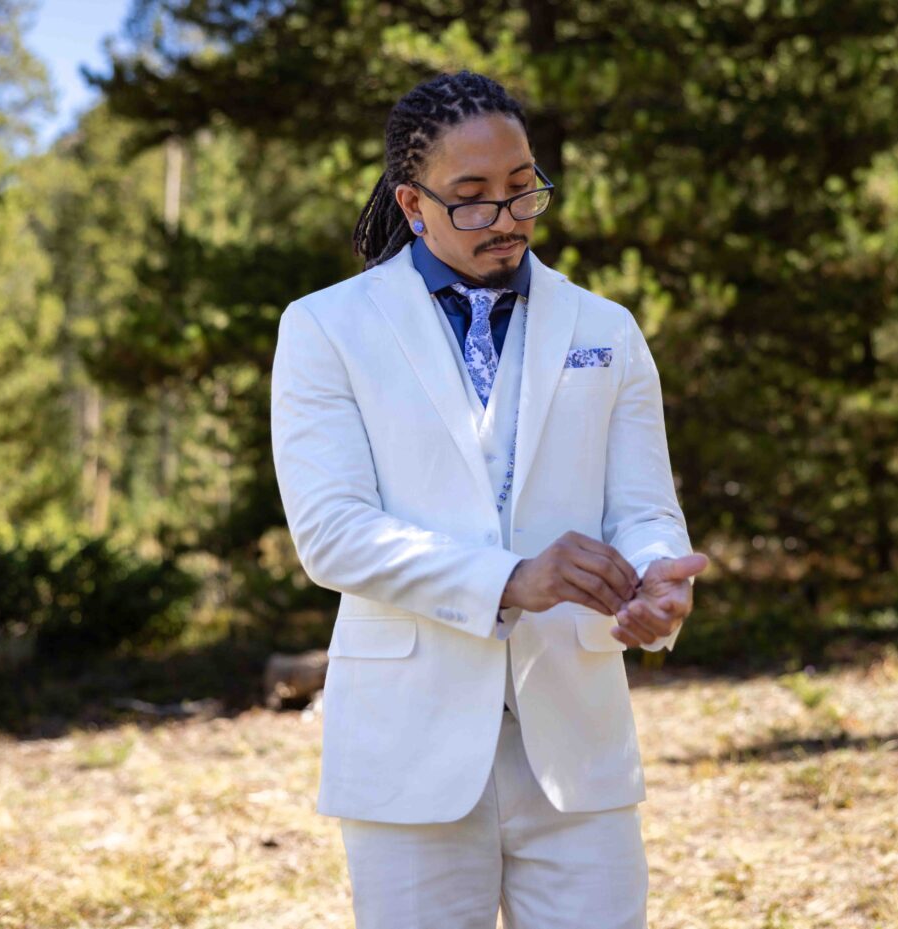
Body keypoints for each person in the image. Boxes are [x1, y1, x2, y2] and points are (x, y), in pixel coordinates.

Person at [271, 69, 709, 929]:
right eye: (470, 198)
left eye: (521, 190)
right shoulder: (326, 328)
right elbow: (332, 534)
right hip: (407, 748)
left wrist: (659, 581)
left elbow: (646, 509)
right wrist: (511, 578)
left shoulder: (605, 330)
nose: (505, 218)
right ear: (412, 201)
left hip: (576, 742)